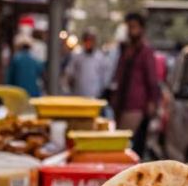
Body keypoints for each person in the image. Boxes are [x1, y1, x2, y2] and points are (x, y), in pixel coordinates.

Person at [112, 12, 161, 157]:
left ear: (141, 29)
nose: (130, 31)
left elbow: (152, 80)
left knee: (132, 148)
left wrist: (152, 102)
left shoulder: (145, 52)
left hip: (136, 107)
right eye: (129, 27)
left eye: (133, 27)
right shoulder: (126, 50)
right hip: (122, 104)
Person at [62, 31, 111, 99]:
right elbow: (69, 72)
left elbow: (104, 78)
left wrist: (102, 92)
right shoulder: (77, 55)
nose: (88, 43)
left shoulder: (100, 57)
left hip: (94, 97)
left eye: (90, 41)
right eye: (86, 40)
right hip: (78, 95)